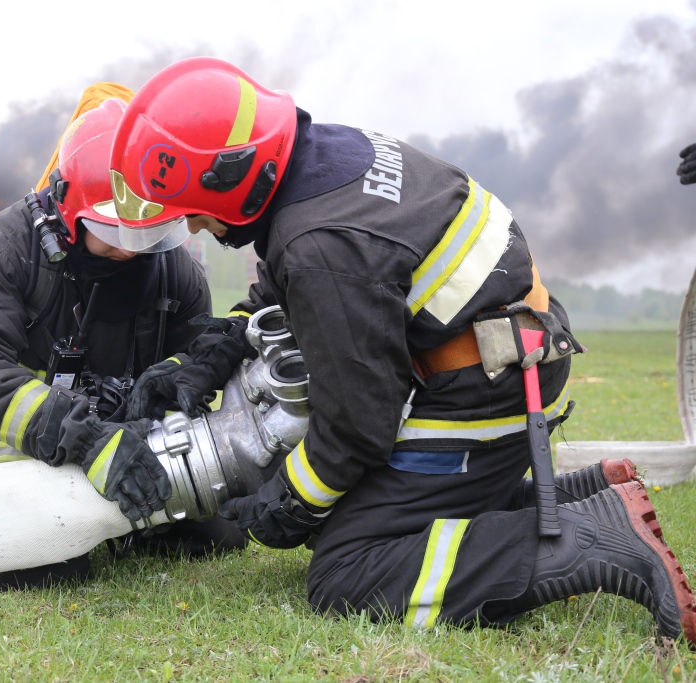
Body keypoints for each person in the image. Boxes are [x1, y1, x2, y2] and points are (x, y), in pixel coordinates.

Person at [111, 58, 696, 645]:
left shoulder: (317, 242)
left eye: (190, 208)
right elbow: (294, 287)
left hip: (483, 387)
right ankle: (575, 494)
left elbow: (359, 426)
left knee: (346, 569)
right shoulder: (326, 159)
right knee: (357, 508)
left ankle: (592, 538)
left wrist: (291, 500)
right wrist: (215, 350)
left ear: (230, 177)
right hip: (513, 352)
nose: (190, 227)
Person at [0, 90, 245, 590]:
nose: (135, 249)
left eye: (150, 233)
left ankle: (117, 525)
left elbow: (196, 350)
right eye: (119, 232)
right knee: (47, 571)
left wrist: (178, 372)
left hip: (127, 436)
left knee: (218, 535)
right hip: (32, 439)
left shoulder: (172, 269)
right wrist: (88, 442)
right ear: (69, 207)